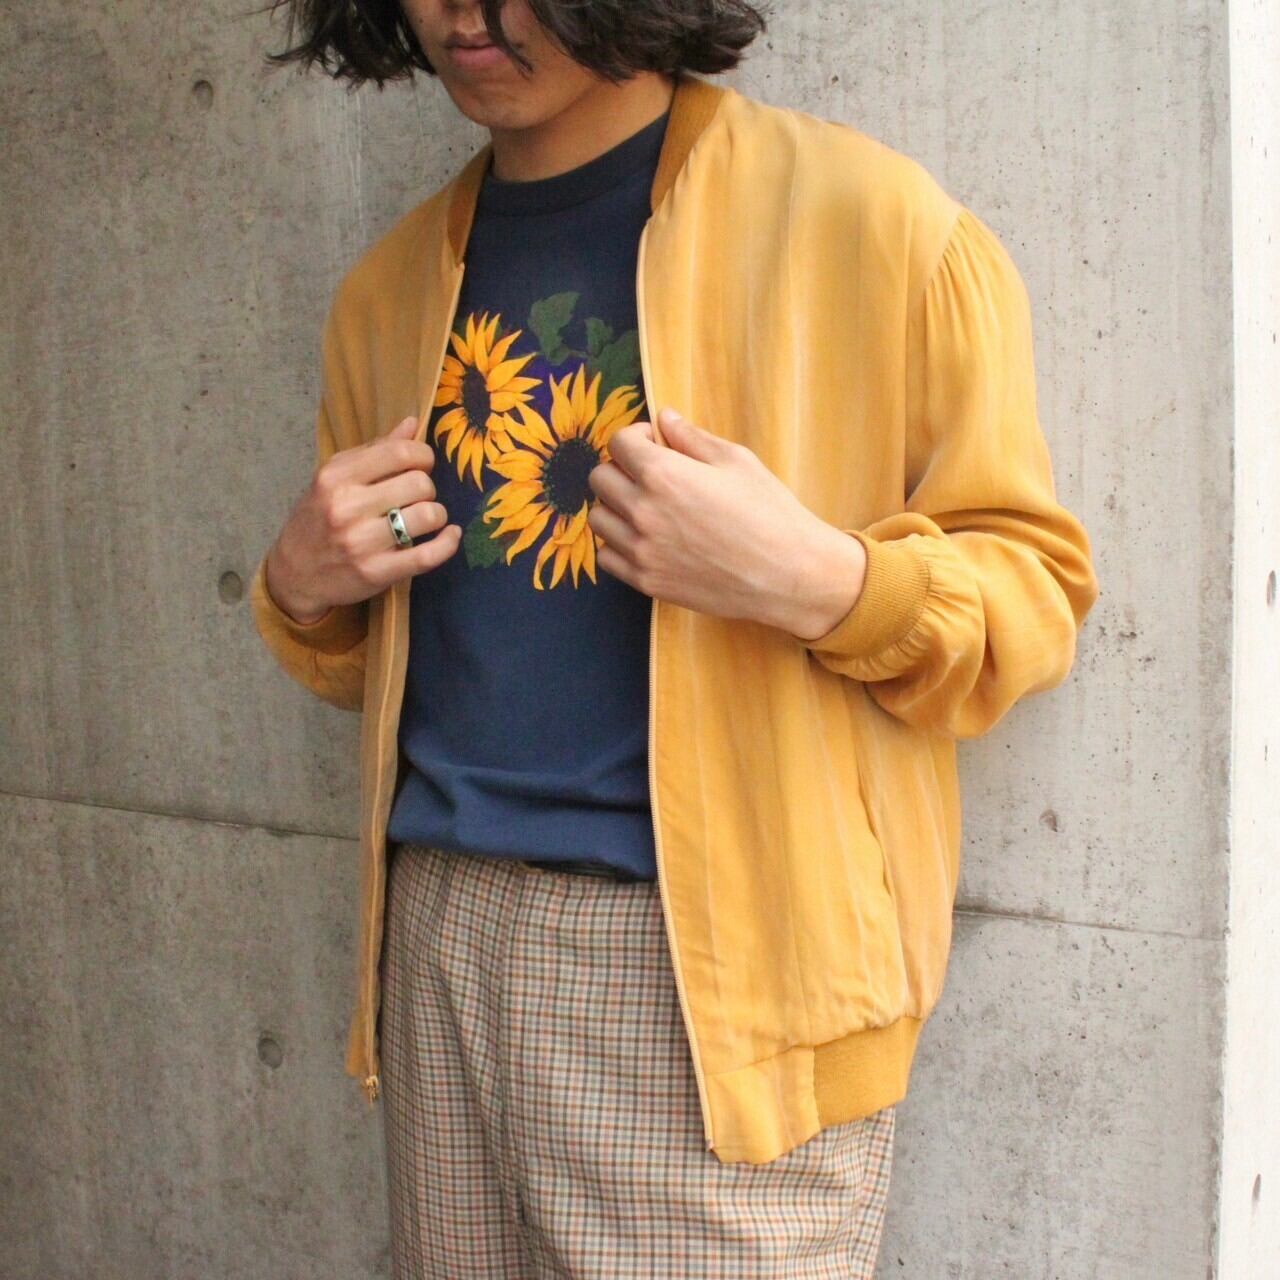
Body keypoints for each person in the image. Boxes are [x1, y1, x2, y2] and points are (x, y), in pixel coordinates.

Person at [250, 1, 1100, 1275]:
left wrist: (816, 578)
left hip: (705, 987)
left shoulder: (868, 227)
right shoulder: (388, 289)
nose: (464, 10)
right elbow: (399, 663)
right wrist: (303, 587)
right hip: (436, 941)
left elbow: (1031, 593)